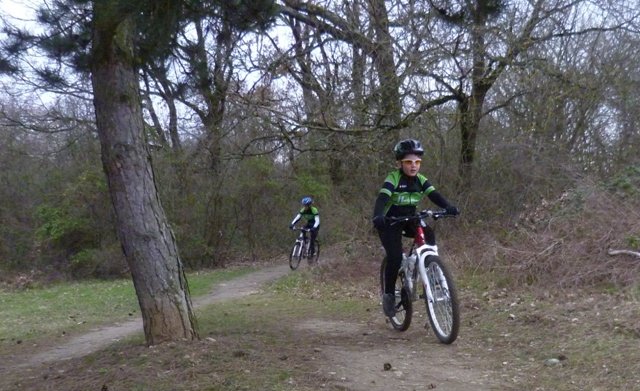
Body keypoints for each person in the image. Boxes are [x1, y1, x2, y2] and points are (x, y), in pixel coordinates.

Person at [372, 139, 459, 317]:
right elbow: (382, 199)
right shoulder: (394, 178)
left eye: (417, 162)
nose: (413, 166)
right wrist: (378, 215)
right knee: (394, 258)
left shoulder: (420, 180)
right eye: (409, 162)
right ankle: (389, 295)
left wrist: (448, 207)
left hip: (409, 218)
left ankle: (430, 265)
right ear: (399, 163)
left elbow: (434, 195)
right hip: (390, 222)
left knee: (428, 233)